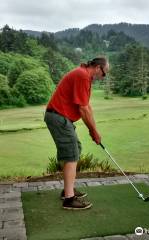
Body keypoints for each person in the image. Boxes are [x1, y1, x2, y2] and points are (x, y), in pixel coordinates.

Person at [44, 57, 109, 210]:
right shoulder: (82, 76)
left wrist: (94, 130)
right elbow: (83, 109)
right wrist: (93, 131)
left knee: (75, 150)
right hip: (59, 117)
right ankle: (69, 199)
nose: (103, 77)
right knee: (71, 154)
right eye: (104, 73)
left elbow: (87, 106)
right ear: (98, 68)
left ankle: (68, 190)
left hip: (60, 117)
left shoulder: (84, 75)